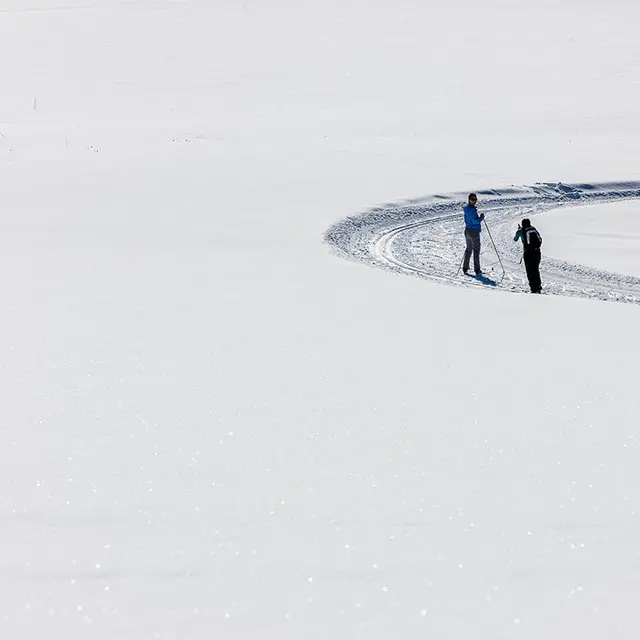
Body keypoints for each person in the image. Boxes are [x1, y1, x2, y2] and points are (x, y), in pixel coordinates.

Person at [514, 218, 543, 293]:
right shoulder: (533, 229)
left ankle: (533, 288)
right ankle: (538, 286)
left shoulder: (520, 231)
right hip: (537, 252)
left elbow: (515, 239)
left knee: (530, 271)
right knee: (536, 270)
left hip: (528, 253)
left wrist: (519, 231)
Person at [462, 192, 484, 275]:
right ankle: (477, 270)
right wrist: (481, 218)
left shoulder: (467, 209)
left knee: (468, 249)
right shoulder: (471, 209)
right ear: (469, 200)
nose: (474, 201)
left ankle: (465, 267)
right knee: (476, 251)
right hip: (473, 232)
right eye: (472, 199)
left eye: (475, 199)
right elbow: (475, 221)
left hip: (467, 230)